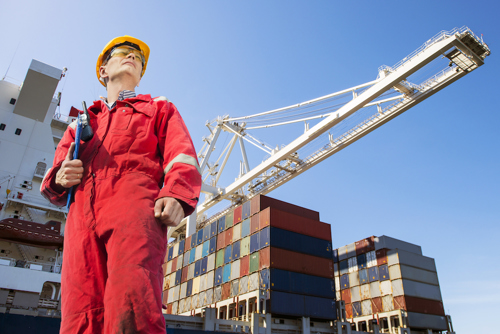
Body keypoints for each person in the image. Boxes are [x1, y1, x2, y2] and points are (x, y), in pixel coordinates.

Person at [41, 35, 201, 333]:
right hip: (81, 220)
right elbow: (53, 183)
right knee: (81, 311)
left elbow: (182, 156)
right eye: (123, 53)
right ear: (103, 70)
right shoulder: (80, 124)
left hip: (135, 208)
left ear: (140, 76)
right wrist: (59, 178)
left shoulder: (159, 108)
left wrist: (177, 195)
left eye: (138, 58)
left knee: (133, 299)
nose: (132, 57)